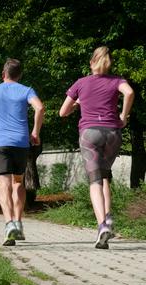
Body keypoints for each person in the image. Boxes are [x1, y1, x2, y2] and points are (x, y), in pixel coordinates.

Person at [59, 46, 134, 249]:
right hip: (112, 134)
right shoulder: (117, 80)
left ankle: (102, 225)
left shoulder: (81, 83)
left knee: (95, 181)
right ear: (108, 63)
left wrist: (77, 104)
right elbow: (129, 93)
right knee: (104, 174)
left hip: (89, 134)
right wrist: (123, 117)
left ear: (92, 63)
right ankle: (108, 218)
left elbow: (62, 112)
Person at [0, 58, 44, 246]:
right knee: (17, 183)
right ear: (19, 75)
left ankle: (9, 225)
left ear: (3, 74)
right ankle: (19, 223)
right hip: (21, 144)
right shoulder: (26, 90)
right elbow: (39, 107)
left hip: (1, 144)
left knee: (3, 185)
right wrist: (35, 132)